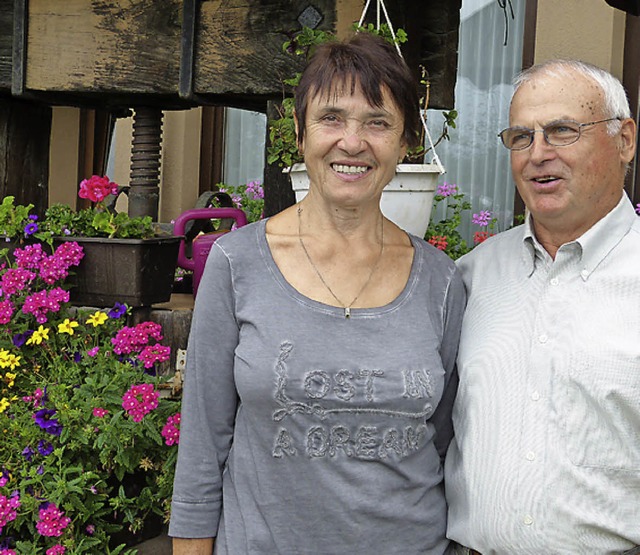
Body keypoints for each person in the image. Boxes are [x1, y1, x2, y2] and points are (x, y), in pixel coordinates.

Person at [169, 32, 466, 554]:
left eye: (378, 122)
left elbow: (445, 443)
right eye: (332, 118)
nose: (352, 142)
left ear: (405, 144)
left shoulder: (441, 282)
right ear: (301, 134)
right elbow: (202, 444)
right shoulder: (238, 264)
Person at [445, 59, 639, 554]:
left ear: (625, 141)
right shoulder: (471, 277)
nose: (538, 154)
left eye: (562, 131)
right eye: (521, 137)